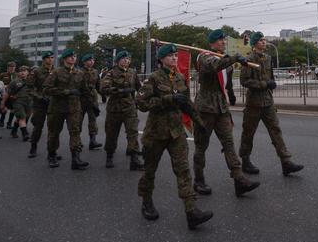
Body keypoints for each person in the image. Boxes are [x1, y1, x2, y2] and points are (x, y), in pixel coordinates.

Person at [136, 43, 213, 229]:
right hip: (156, 133)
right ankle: (146, 201)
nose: (174, 58)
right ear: (161, 59)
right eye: (170, 56)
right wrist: (168, 99)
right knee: (149, 171)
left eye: (176, 55)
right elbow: (141, 103)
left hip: (176, 132)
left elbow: (186, 103)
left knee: (183, 171)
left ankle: (191, 210)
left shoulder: (179, 77)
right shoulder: (153, 79)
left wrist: (199, 123)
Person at [193, 29, 260, 197]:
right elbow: (215, 66)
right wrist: (235, 58)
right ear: (212, 43)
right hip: (206, 108)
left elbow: (227, 80)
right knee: (201, 146)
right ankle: (198, 180)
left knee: (229, 144)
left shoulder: (224, 58)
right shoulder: (204, 57)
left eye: (224, 40)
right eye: (220, 40)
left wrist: (230, 93)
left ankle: (239, 180)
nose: (223, 42)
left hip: (221, 108)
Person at [239, 32, 303, 176]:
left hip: (267, 102)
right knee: (248, 133)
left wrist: (271, 84)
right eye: (261, 40)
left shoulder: (268, 58)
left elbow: (270, 77)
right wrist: (264, 84)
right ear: (254, 43)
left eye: (264, 40)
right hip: (253, 103)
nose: (264, 42)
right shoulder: (248, 59)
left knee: (276, 131)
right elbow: (244, 81)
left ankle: (286, 162)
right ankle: (245, 161)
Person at [43, 49, 89, 170]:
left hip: (74, 108)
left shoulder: (80, 73)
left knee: (75, 132)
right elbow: (47, 89)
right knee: (54, 133)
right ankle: (52, 155)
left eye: (74, 56)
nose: (73, 58)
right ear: (64, 59)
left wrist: (91, 104)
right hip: (57, 108)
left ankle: (76, 159)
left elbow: (84, 90)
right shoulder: (56, 72)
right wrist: (66, 92)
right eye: (70, 56)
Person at [100, 51, 144, 170]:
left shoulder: (132, 72)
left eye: (128, 59)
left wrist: (141, 98)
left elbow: (139, 88)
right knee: (111, 134)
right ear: (118, 61)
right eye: (124, 59)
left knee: (132, 132)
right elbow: (104, 88)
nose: (126, 61)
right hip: (115, 109)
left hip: (129, 108)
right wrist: (119, 91)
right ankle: (109, 155)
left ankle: (134, 158)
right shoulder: (111, 73)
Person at [27, 52, 54, 158]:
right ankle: (33, 146)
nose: (51, 59)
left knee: (53, 127)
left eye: (52, 57)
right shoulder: (36, 71)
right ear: (43, 59)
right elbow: (29, 88)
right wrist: (39, 97)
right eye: (48, 58)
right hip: (40, 103)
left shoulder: (56, 71)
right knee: (38, 126)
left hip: (53, 102)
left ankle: (52, 151)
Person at [1, 66, 31, 141]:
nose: (22, 72)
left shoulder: (32, 81)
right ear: (18, 73)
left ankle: (14, 131)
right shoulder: (14, 81)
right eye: (21, 71)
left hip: (29, 102)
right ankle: (25, 134)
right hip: (18, 101)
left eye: (24, 71)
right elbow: (7, 93)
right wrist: (3, 103)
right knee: (22, 117)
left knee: (23, 117)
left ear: (28, 72)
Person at [79, 53, 102, 150]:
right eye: (89, 60)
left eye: (93, 60)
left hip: (92, 99)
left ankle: (93, 140)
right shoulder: (79, 72)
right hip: (81, 99)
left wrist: (103, 94)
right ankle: (77, 141)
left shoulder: (95, 72)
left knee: (92, 120)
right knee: (78, 121)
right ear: (85, 62)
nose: (92, 62)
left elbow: (98, 85)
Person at [0, 62, 17, 129]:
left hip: (13, 94)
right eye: (11, 67)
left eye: (13, 67)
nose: (12, 68)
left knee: (13, 109)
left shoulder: (17, 75)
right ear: (8, 67)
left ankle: (9, 123)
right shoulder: (3, 74)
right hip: (4, 93)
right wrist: (4, 86)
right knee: (4, 108)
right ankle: (1, 121)